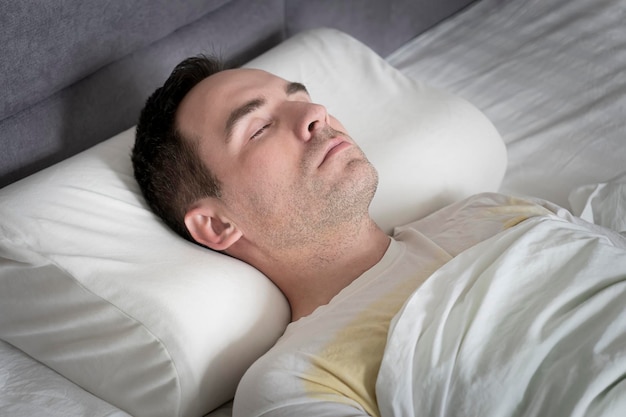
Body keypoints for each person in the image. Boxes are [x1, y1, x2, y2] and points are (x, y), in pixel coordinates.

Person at [132, 56, 626, 417]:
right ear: (218, 224)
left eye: (301, 98)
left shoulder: (485, 211)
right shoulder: (297, 380)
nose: (316, 113)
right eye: (259, 128)